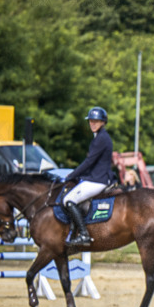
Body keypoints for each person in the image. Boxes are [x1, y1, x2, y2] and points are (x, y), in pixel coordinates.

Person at [63, 107, 114, 250]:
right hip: (94, 177)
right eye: (91, 121)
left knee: (68, 200)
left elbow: (89, 162)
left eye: (96, 121)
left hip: (97, 180)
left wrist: (71, 175)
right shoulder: (99, 137)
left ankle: (84, 234)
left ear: (103, 122)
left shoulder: (101, 138)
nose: (93, 123)